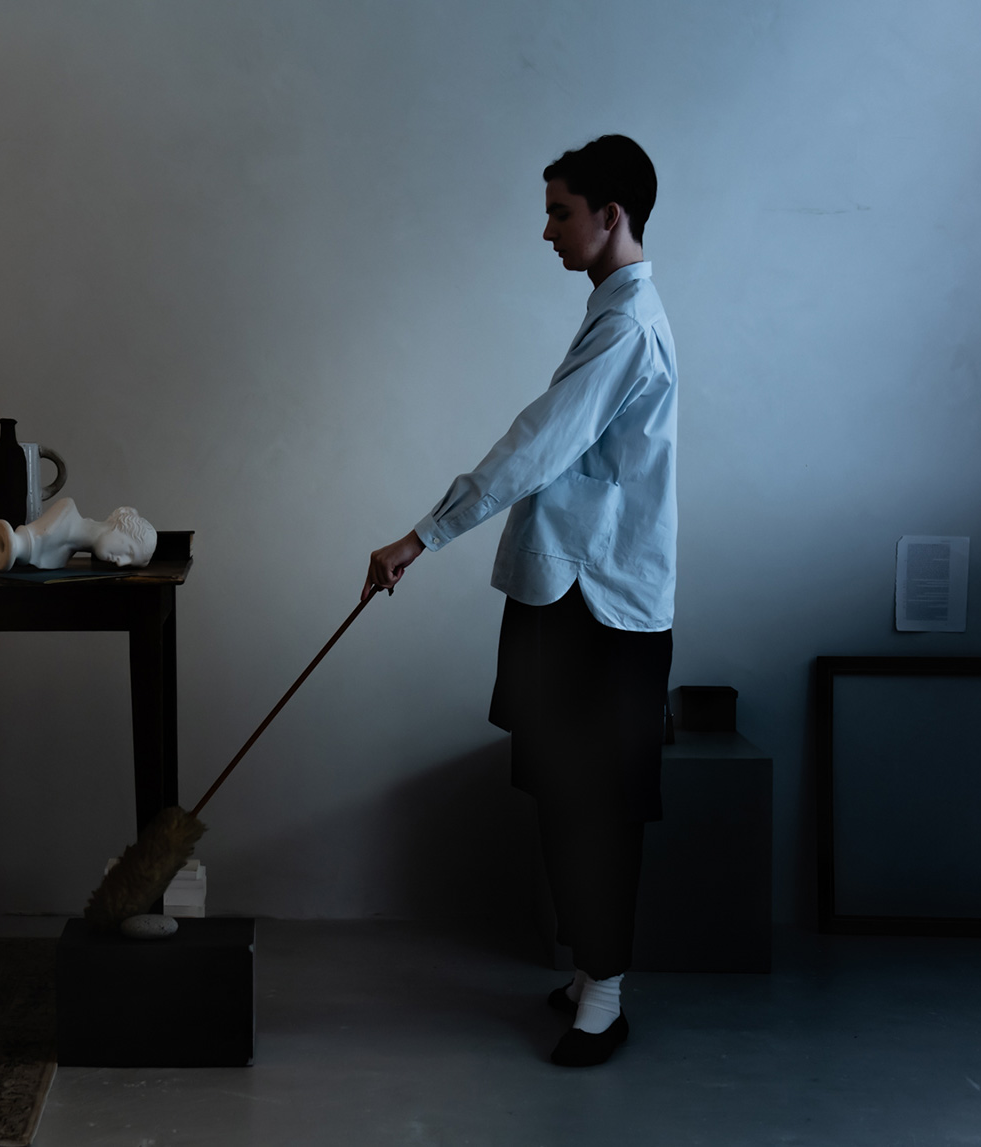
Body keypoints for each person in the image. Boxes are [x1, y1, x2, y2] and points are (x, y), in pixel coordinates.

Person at [363, 135, 676, 1068]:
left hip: (600, 607)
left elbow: (536, 446)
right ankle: (588, 971)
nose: (547, 232)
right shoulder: (611, 311)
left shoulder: (628, 326)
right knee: (561, 792)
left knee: (598, 803)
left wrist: (422, 535)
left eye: (560, 213)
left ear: (610, 215)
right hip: (567, 593)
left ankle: (606, 993)